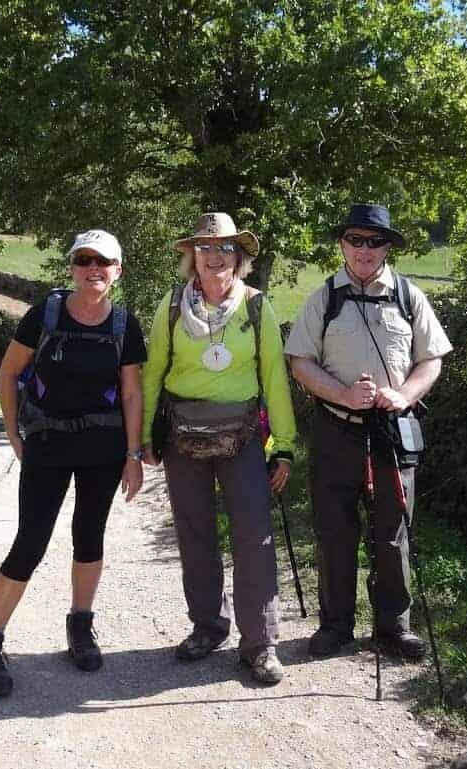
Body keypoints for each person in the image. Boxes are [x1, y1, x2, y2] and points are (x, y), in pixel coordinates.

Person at [0, 229, 147, 698]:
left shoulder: (125, 325)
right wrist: (12, 432)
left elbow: (131, 392)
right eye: (84, 260)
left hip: (103, 448)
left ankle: (80, 625)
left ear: (117, 270)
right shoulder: (44, 314)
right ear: (72, 267)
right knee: (30, 541)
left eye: (102, 262)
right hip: (48, 442)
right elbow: (8, 373)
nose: (93, 270)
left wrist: (133, 454)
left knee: (90, 537)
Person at [284, 203, 452, 660]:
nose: (363, 249)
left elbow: (431, 359)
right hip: (337, 431)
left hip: (393, 432)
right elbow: (300, 362)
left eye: (373, 241)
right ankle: (336, 627)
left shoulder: (408, 295)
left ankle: (393, 628)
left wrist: (404, 395)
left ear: (387, 247)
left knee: (393, 531)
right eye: (355, 240)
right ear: (342, 244)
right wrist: (341, 394)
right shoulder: (324, 298)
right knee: (334, 531)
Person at [141, 212, 296, 685]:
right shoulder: (171, 306)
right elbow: (153, 374)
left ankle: (260, 644)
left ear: (240, 258)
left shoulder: (255, 307)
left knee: (254, 537)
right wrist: (146, 435)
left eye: (226, 249)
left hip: (244, 438)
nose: (215, 257)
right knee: (194, 535)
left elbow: (274, 376)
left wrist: (284, 445)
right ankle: (207, 627)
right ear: (193, 257)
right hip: (183, 436)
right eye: (206, 249)